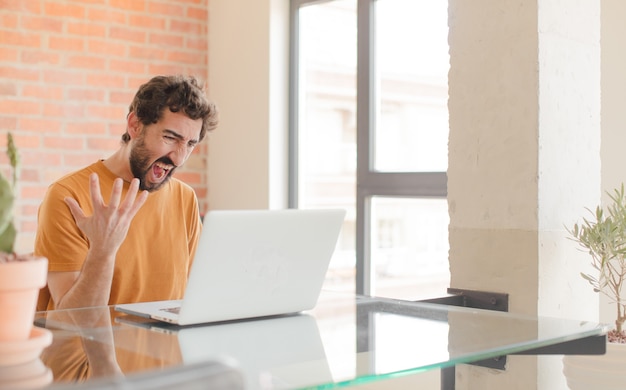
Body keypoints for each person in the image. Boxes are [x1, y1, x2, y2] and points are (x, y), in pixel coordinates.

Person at [35, 75, 219, 310]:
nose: (179, 157)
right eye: (170, 137)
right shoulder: (68, 196)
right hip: (89, 347)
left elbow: (195, 298)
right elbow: (72, 320)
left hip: (164, 347)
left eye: (190, 144)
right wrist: (103, 251)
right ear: (135, 125)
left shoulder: (185, 198)